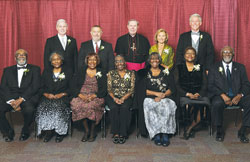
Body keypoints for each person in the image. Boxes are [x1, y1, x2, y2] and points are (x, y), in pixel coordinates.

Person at [208, 46, 250, 143]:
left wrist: (240, 95)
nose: (227, 54)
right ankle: (219, 130)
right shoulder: (214, 67)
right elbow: (210, 85)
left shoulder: (240, 67)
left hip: (237, 95)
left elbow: (246, 84)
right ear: (221, 54)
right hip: (220, 96)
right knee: (217, 104)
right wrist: (222, 95)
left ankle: (243, 130)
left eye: (230, 52)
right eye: (225, 52)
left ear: (233, 54)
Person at [136, 52, 177, 147]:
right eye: (152, 59)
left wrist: (162, 95)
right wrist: (156, 94)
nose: (154, 61)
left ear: (160, 60)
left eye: (157, 58)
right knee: (151, 105)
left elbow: (172, 88)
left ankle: (165, 133)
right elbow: (142, 90)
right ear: (149, 61)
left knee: (166, 106)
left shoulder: (166, 72)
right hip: (149, 97)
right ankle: (156, 133)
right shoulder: (144, 73)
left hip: (165, 96)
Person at [0, 49, 41, 142]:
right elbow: (3, 87)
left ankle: (25, 131)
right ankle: (7, 132)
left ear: (26, 57)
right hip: (11, 98)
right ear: (15, 58)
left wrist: (21, 100)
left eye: (23, 55)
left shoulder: (35, 69)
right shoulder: (7, 70)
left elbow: (35, 86)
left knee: (29, 110)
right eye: (19, 55)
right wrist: (11, 101)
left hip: (27, 97)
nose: (21, 56)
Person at [36, 52, 72, 143]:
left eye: (58, 59)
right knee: (43, 108)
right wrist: (46, 94)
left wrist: (63, 94)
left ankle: (60, 132)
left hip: (63, 97)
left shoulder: (68, 71)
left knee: (58, 107)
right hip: (48, 96)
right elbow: (40, 87)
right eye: (54, 59)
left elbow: (72, 88)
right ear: (51, 62)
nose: (56, 61)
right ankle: (48, 131)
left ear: (61, 61)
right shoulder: (46, 72)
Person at [175, 47, 210, 140]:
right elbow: (176, 84)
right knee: (187, 104)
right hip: (184, 94)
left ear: (195, 56)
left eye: (192, 54)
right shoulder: (179, 67)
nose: (190, 55)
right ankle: (190, 128)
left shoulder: (200, 67)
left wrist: (199, 93)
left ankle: (190, 128)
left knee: (203, 105)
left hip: (199, 94)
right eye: (188, 53)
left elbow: (205, 83)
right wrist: (187, 94)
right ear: (184, 55)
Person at [70, 53, 107, 142]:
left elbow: (105, 88)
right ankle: (87, 130)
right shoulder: (80, 71)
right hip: (81, 94)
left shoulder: (101, 72)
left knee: (91, 106)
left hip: (96, 95)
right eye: (90, 60)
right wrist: (80, 95)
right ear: (87, 61)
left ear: (97, 61)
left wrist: (94, 96)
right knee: (77, 104)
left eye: (94, 60)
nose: (92, 62)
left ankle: (93, 131)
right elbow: (73, 85)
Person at [106, 55, 135, 144]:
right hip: (113, 97)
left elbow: (132, 89)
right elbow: (109, 89)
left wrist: (123, 98)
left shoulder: (131, 73)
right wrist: (115, 98)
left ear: (125, 63)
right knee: (114, 108)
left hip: (126, 96)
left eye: (121, 61)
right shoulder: (111, 73)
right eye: (117, 61)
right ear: (115, 64)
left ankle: (123, 133)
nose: (119, 63)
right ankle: (115, 133)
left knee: (124, 108)